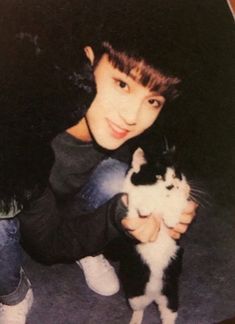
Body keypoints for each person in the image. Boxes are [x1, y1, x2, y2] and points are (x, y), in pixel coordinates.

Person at [0, 1, 199, 323]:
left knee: (119, 179)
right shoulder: (23, 133)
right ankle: (12, 292)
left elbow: (151, 180)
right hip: (16, 200)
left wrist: (153, 208)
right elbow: (47, 244)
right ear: (88, 61)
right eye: (122, 84)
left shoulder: (127, 133)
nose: (131, 116)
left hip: (58, 203)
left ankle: (86, 247)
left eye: (152, 101)